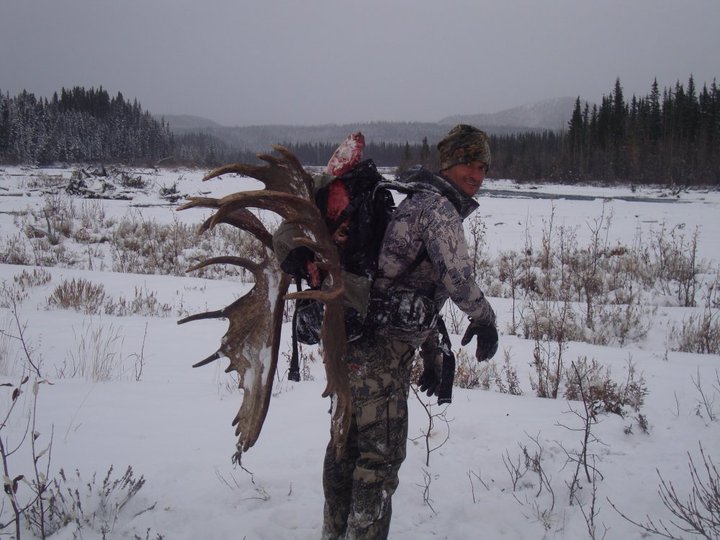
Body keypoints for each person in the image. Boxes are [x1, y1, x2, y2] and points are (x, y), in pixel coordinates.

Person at [321, 124, 499, 539]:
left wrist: (433, 348)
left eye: (482, 166)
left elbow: (404, 284)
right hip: (379, 354)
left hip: (357, 344)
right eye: (467, 163)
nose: (476, 173)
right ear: (449, 164)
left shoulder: (418, 201)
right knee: (378, 460)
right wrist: (485, 319)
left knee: (347, 450)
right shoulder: (438, 210)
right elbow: (458, 278)